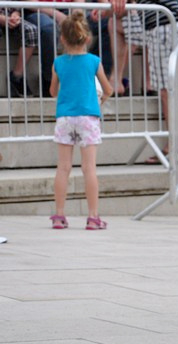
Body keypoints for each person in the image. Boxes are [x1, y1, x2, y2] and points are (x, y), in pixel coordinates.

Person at [49, 10, 113, 230]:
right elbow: (108, 89)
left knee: (63, 167)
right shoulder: (94, 61)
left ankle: (59, 216)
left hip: (65, 117)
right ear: (86, 38)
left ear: (62, 39)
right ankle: (93, 217)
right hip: (88, 117)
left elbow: (53, 91)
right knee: (89, 168)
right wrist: (99, 101)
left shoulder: (58, 63)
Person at [136, 0, 178, 164]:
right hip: (169, 25)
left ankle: (173, 146)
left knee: (167, 91)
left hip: (163, 27)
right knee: (170, 88)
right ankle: (174, 144)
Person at [1, 6, 39, 97]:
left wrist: (16, 15)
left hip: (10, 16)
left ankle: (16, 76)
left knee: (31, 30)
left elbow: (16, 5)